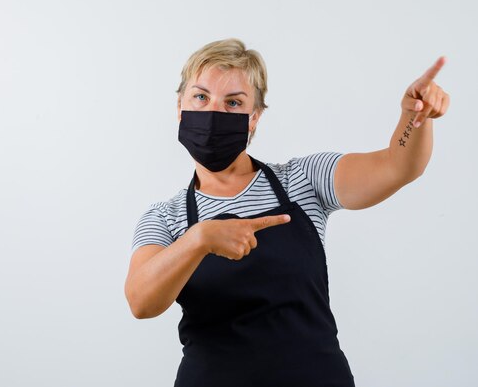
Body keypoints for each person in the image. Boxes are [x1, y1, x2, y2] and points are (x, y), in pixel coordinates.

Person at [124, 38, 450, 387]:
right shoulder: (165, 218)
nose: (214, 112)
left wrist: (414, 118)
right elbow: (141, 301)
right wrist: (199, 239)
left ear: (254, 118)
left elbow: (396, 166)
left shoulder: (304, 180)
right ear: (180, 107)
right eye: (201, 97)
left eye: (233, 102)